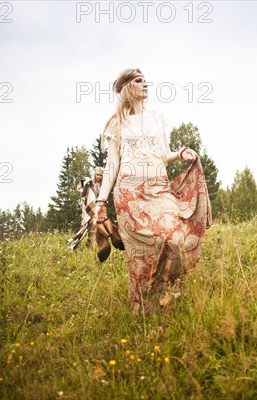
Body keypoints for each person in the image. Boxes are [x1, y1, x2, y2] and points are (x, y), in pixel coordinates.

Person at [95, 68, 212, 315]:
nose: (145, 84)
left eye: (146, 80)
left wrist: (181, 153)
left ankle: (167, 292)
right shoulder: (117, 123)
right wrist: (101, 200)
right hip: (129, 194)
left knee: (176, 238)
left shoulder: (157, 118)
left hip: (159, 190)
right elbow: (112, 163)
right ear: (128, 87)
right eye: (139, 81)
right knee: (141, 255)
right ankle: (143, 310)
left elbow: (163, 155)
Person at [80, 167, 104, 249]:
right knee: (87, 226)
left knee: (96, 226)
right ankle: (83, 244)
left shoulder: (103, 185)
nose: (99, 177)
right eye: (97, 175)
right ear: (94, 175)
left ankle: (92, 246)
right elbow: (82, 193)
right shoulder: (90, 184)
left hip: (99, 207)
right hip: (89, 207)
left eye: (101, 175)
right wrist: (85, 183)